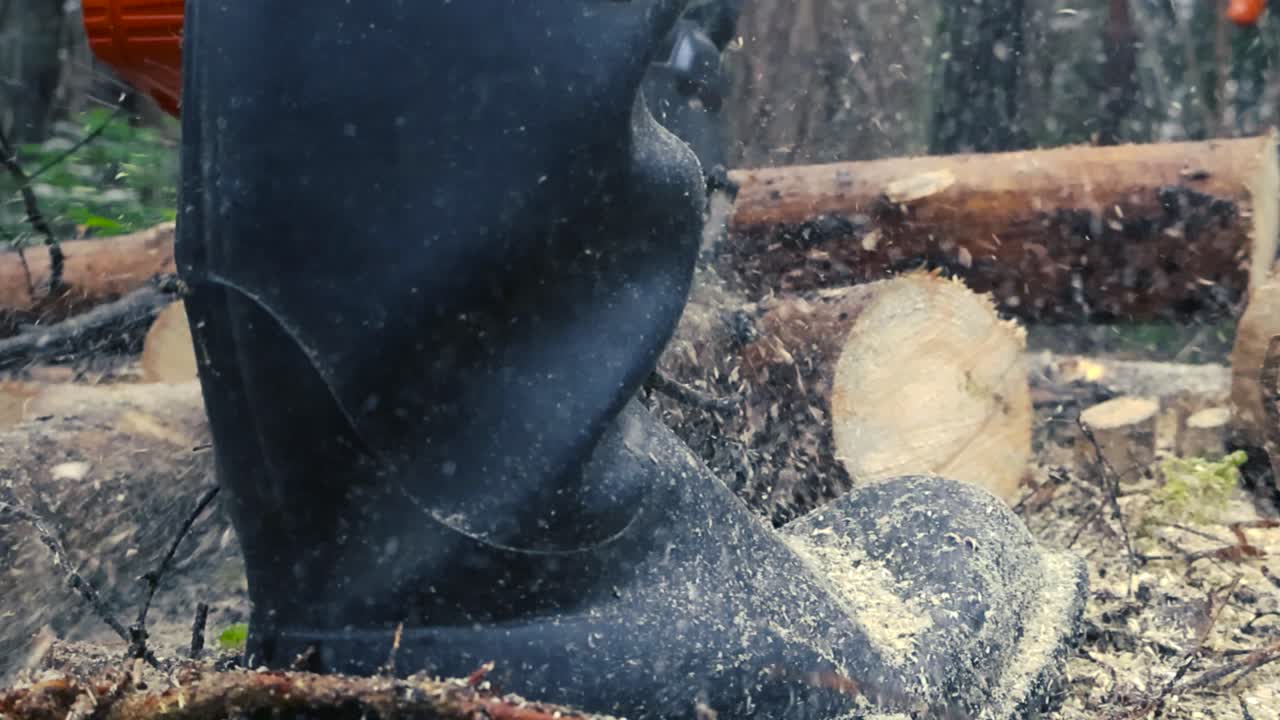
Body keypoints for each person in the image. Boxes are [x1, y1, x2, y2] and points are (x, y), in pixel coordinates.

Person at [92, 2, 1087, 717]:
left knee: (399, 578)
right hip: (579, 649)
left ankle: (414, 605)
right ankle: (552, 613)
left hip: (324, 604)